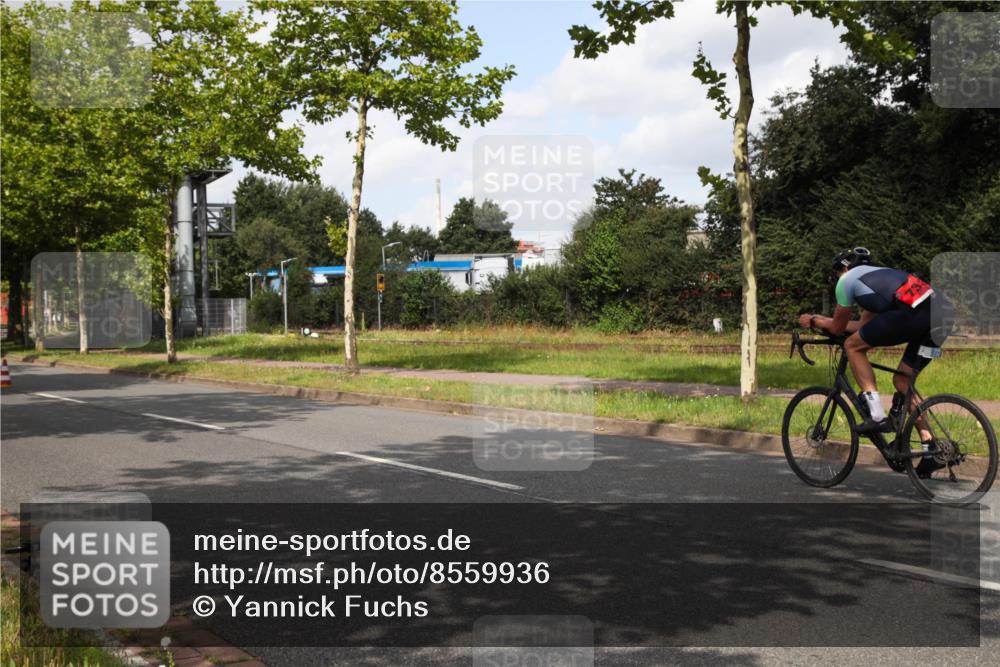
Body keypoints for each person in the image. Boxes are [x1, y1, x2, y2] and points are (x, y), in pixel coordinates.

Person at [798, 247, 951, 477]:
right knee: (902, 381)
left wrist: (814, 321)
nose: (837, 277)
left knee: (852, 346)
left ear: (845, 268)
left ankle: (876, 414)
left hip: (915, 315)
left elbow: (839, 328)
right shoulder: (883, 277)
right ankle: (931, 449)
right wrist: (824, 321)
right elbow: (861, 327)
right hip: (942, 317)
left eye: (837, 272)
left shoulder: (846, 281)